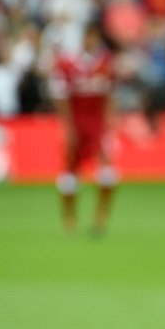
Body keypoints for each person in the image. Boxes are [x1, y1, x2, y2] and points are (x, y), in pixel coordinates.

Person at [50, 23, 118, 234]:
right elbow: (61, 98)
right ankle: (69, 217)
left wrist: (110, 122)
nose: (91, 41)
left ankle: (100, 217)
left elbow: (109, 96)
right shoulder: (68, 64)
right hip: (77, 122)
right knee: (70, 168)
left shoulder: (105, 63)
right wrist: (68, 126)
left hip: (98, 123)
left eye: (94, 37)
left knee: (107, 170)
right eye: (88, 37)